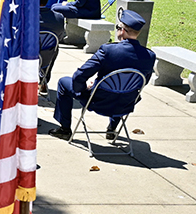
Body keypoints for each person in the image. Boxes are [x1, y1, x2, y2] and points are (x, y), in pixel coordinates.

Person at [49, 10, 155, 141]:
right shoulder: (150, 56)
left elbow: (79, 75)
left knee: (63, 82)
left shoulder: (108, 50)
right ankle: (112, 129)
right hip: (125, 104)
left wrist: (84, 88)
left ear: (122, 30)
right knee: (123, 90)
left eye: (117, 28)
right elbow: (143, 83)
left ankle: (65, 129)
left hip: (97, 101)